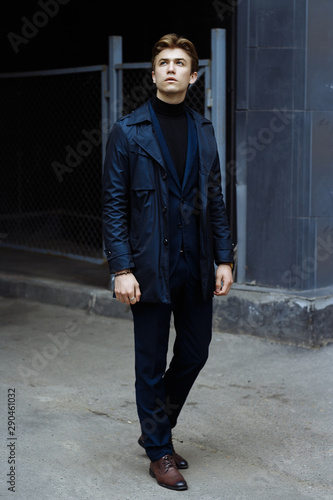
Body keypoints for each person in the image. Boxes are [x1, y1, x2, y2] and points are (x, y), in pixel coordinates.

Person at [102, 33, 234, 491]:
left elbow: (214, 199)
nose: (172, 68)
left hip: (196, 264)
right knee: (150, 363)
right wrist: (122, 268)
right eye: (164, 62)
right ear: (154, 73)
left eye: (181, 62)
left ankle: (154, 429)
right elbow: (114, 205)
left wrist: (224, 258)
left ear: (193, 76)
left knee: (195, 352)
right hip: (149, 266)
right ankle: (160, 450)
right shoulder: (128, 131)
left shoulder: (203, 129)